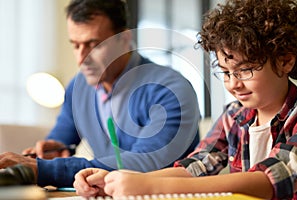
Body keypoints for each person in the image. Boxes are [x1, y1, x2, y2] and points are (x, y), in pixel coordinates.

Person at [73, 0, 297, 199]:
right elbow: (196, 165)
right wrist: (119, 181)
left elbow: (267, 181)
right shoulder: (234, 115)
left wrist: (151, 186)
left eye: (245, 70)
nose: (233, 84)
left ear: (285, 61)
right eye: (226, 73)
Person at [0, 0, 201, 187]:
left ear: (124, 39)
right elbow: (59, 141)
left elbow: (146, 163)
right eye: (75, 45)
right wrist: (48, 155)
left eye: (93, 45)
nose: (81, 59)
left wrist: (46, 170)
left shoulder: (171, 89)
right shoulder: (77, 89)